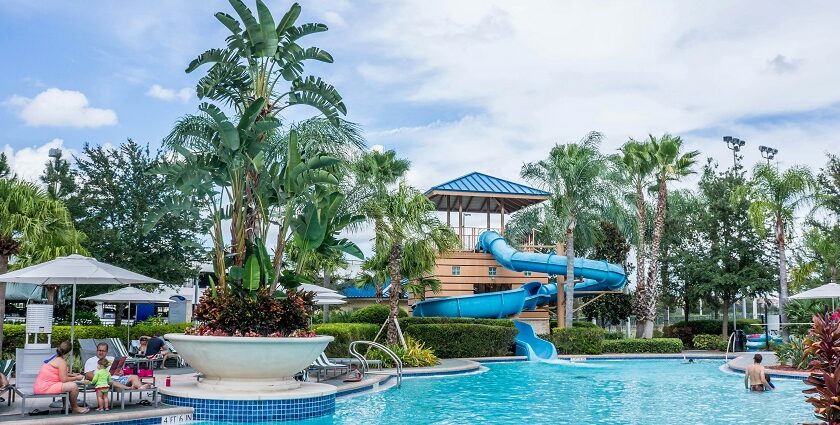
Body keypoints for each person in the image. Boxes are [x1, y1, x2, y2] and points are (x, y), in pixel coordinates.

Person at [33, 341, 89, 414]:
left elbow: (58, 373)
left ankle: (65, 407)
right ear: (68, 352)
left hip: (41, 387)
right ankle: (75, 407)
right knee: (73, 386)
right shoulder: (61, 362)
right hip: (45, 388)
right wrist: (77, 378)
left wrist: (73, 375)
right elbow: (64, 379)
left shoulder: (55, 359)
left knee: (68, 384)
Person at [84, 342, 151, 390]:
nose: (101, 352)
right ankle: (129, 388)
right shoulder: (91, 360)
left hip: (116, 378)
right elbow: (88, 375)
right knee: (111, 380)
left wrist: (121, 372)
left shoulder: (111, 359)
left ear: (107, 351)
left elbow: (119, 369)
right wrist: (102, 378)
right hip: (104, 381)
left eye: (103, 351)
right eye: (99, 350)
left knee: (134, 376)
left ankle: (140, 387)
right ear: (96, 350)